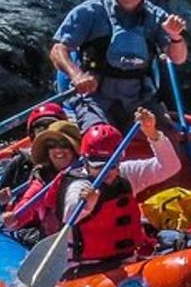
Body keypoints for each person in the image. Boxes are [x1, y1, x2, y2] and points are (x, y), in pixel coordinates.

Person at [50, 0, 188, 132]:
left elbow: (178, 58)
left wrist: (176, 37)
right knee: (101, 139)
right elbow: (58, 49)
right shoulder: (89, 12)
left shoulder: (157, 17)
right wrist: (77, 75)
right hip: (95, 98)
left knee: (168, 139)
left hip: (139, 101)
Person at [57, 107, 181, 271]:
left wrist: (152, 134)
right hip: (87, 268)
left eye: (112, 166)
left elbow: (170, 167)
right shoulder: (79, 185)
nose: (106, 172)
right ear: (85, 160)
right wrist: (87, 205)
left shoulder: (126, 173)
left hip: (126, 261)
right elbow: (69, 214)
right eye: (98, 167)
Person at [0, 119, 83, 245]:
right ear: (47, 151)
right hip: (60, 244)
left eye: (64, 144)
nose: (58, 149)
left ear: (74, 148)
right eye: (52, 144)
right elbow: (26, 205)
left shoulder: (91, 169)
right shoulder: (42, 180)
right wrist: (12, 219)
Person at [0, 102, 66, 201]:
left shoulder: (72, 154)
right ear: (33, 135)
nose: (47, 135)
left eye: (52, 128)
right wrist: (2, 199)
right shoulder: (20, 162)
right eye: (41, 130)